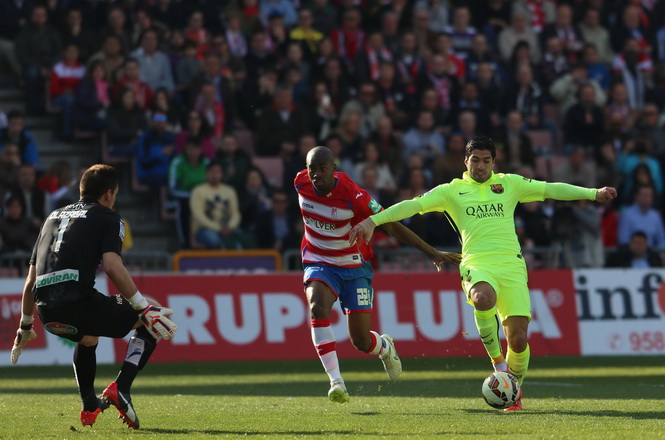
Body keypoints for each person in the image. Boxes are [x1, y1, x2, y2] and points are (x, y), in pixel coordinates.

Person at [349, 136, 617, 411]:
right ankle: (498, 364)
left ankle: (513, 389)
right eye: (475, 160)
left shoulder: (510, 184)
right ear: (465, 161)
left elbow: (550, 189)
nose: (480, 166)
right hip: (477, 264)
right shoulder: (451, 191)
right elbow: (411, 206)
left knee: (519, 339)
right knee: (482, 297)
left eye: (486, 160)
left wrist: (593, 193)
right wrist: (374, 220)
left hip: (512, 267)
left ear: (493, 162)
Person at [9, 164, 177, 430]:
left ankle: (89, 405)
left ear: (81, 189)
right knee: (153, 313)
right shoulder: (108, 217)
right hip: (77, 305)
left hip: (47, 314)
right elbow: (112, 266)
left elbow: (30, 281)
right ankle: (120, 388)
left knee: (88, 338)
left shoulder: (51, 217)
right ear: (109, 194)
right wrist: (143, 308)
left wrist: (25, 326)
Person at [295, 146, 460, 404]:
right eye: (311, 169)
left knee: (360, 340)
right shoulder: (300, 183)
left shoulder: (353, 195)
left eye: (322, 169)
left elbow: (390, 223)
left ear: (334, 170)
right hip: (319, 261)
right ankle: (336, 381)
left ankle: (385, 347)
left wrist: (431, 252)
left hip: (353, 265)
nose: (315, 175)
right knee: (317, 306)